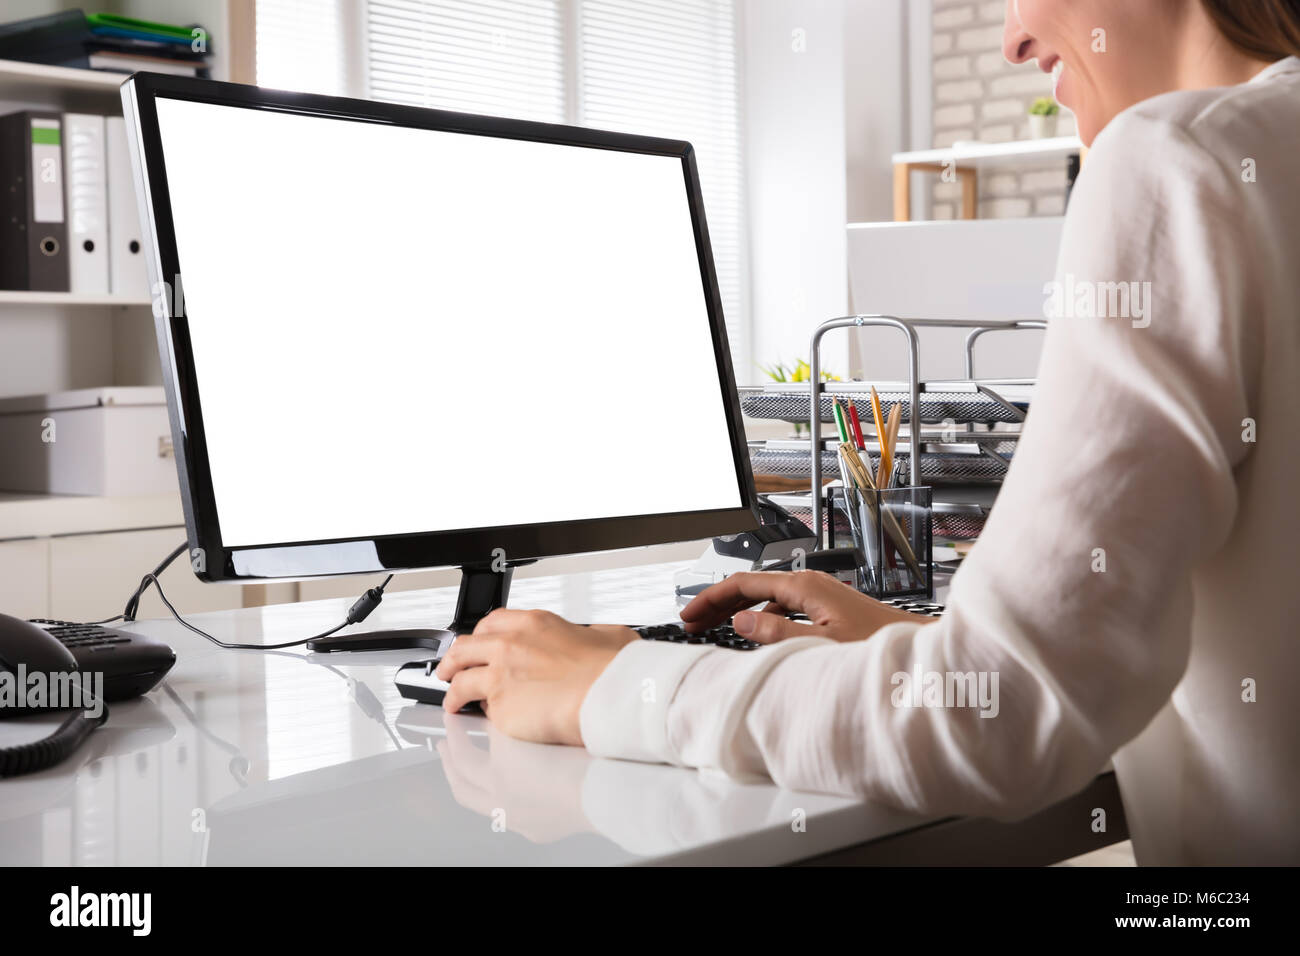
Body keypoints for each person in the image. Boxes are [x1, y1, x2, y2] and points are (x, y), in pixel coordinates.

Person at [436, 0, 1300, 865]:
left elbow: (1000, 720)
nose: (1011, 39)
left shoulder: (1178, 158)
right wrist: (925, 650)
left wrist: (619, 688)